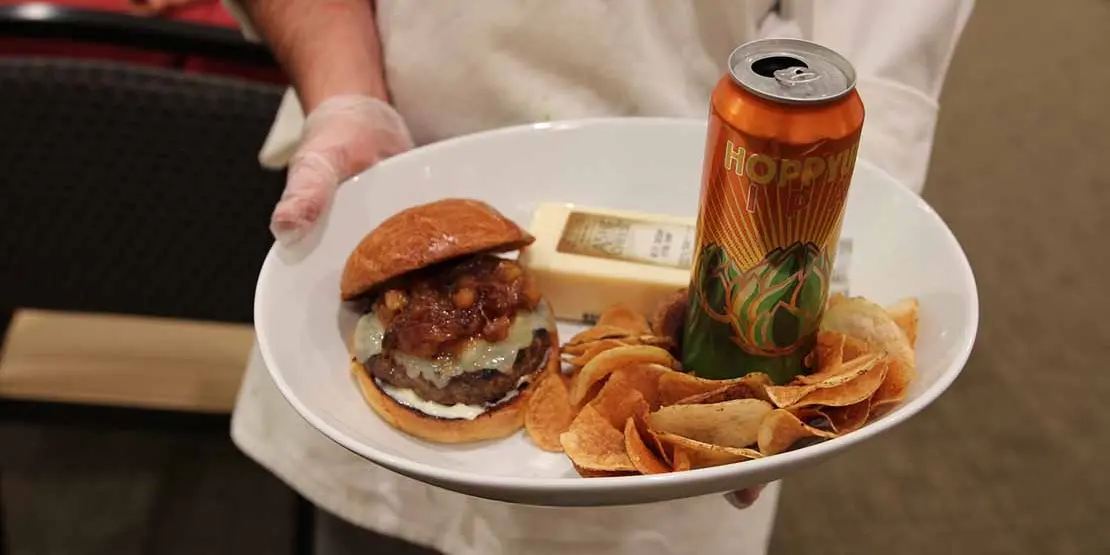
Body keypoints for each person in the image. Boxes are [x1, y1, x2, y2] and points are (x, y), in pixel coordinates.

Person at [222, 1, 974, 553]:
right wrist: (343, 92)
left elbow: (877, 49)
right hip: (390, 176)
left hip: (669, 372)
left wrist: (782, 372)